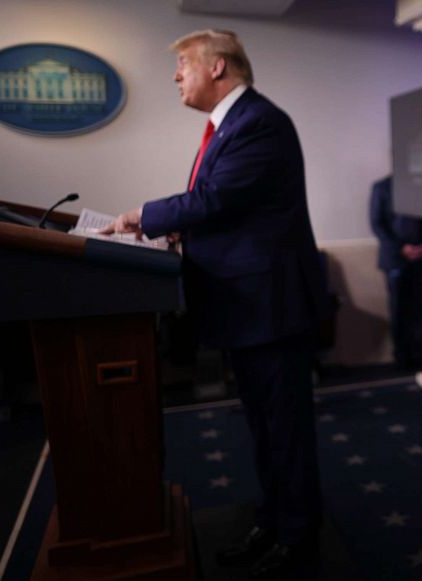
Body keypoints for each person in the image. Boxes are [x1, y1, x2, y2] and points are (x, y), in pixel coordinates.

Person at [101, 29, 327, 579]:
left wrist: (141, 217)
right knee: (265, 430)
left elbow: (214, 199)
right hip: (251, 311)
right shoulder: (229, 126)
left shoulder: (259, 123)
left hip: (271, 312)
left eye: (184, 64)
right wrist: (182, 239)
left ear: (218, 67)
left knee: (284, 432)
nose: (177, 75)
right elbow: (232, 215)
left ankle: (297, 538)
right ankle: (274, 521)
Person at [369, 174, 422, 370]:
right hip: (395, 259)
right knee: (399, 309)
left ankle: (421, 353)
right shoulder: (382, 187)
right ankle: (402, 356)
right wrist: (401, 248)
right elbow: (377, 223)